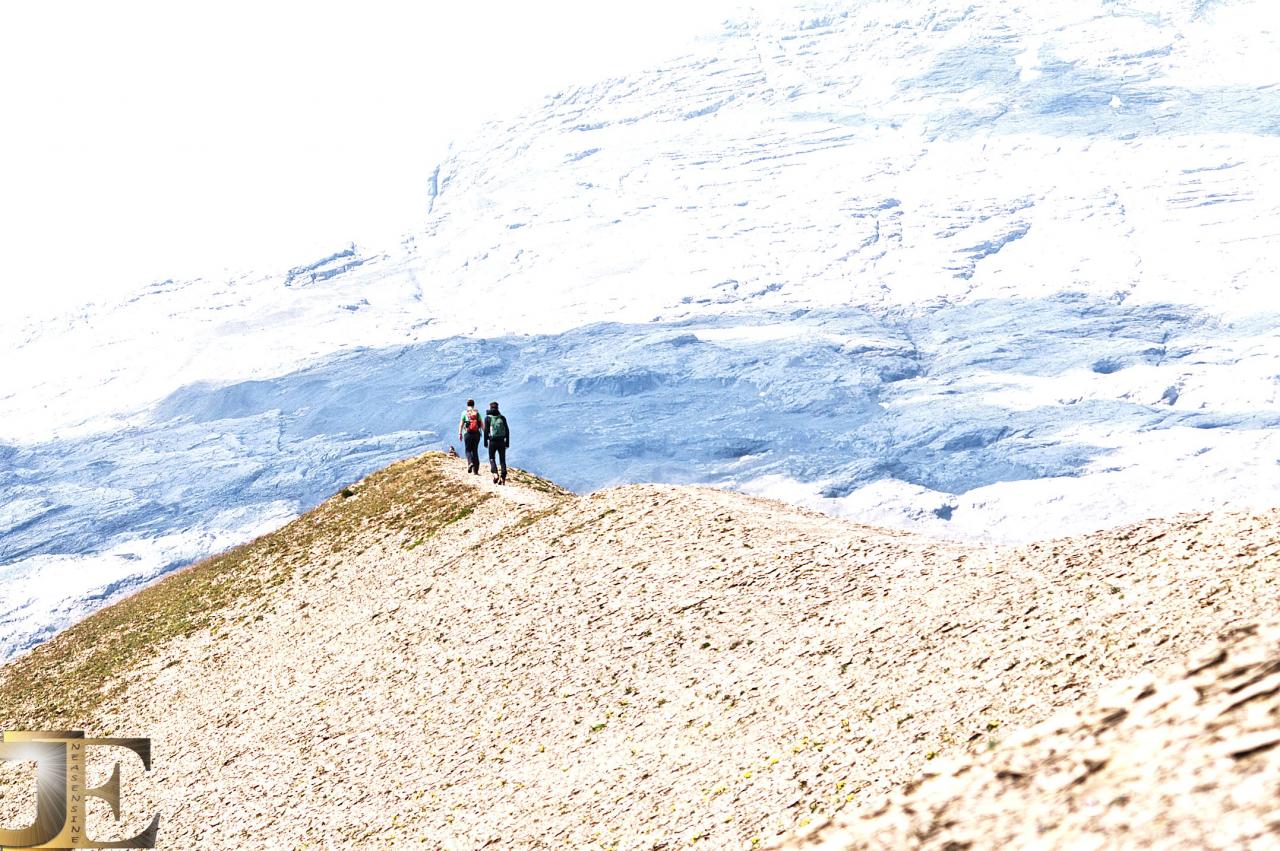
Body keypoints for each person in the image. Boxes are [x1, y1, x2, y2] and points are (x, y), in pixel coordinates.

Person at [483, 401, 510, 484]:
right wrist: (507, 443)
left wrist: (485, 442)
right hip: (502, 441)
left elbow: (486, 431)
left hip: (492, 441)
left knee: (492, 458)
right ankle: (503, 477)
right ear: (498, 408)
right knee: (502, 460)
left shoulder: (487, 418)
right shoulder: (502, 418)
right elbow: (507, 431)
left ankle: (495, 474)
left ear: (490, 408)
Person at [458, 398, 483, 475]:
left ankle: (470, 463)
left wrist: (460, 433)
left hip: (467, 434)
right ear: (473, 404)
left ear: (467, 405)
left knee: (468, 450)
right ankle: (476, 471)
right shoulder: (477, 413)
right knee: (475, 451)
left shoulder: (464, 413)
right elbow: (482, 424)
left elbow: (461, 424)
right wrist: (486, 434)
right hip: (476, 434)